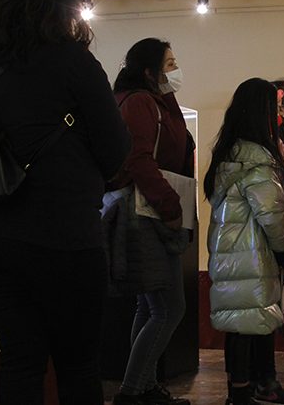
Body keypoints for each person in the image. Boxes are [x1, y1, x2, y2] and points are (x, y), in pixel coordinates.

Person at [0, 0, 131, 404]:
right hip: (64, 234)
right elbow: (115, 151)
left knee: (19, 362)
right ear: (64, 4)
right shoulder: (75, 63)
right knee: (77, 368)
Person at [106, 38, 194, 405]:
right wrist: (171, 206)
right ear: (148, 70)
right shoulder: (140, 103)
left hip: (151, 209)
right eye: (169, 64)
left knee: (151, 306)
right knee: (170, 308)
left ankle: (142, 384)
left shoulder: (153, 101)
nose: (176, 70)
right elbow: (139, 160)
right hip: (146, 212)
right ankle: (132, 391)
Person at [204, 78, 284, 405]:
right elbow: (271, 214)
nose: (282, 113)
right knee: (249, 323)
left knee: (247, 322)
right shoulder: (256, 158)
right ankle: (246, 391)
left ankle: (251, 387)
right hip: (252, 252)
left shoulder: (229, 152)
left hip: (232, 251)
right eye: (275, 108)